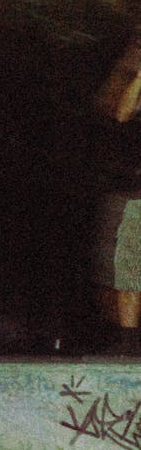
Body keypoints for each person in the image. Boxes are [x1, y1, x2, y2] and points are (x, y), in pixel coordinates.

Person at [93, 31, 141, 355]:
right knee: (128, 273)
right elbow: (122, 113)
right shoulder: (125, 82)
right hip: (134, 193)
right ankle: (128, 344)